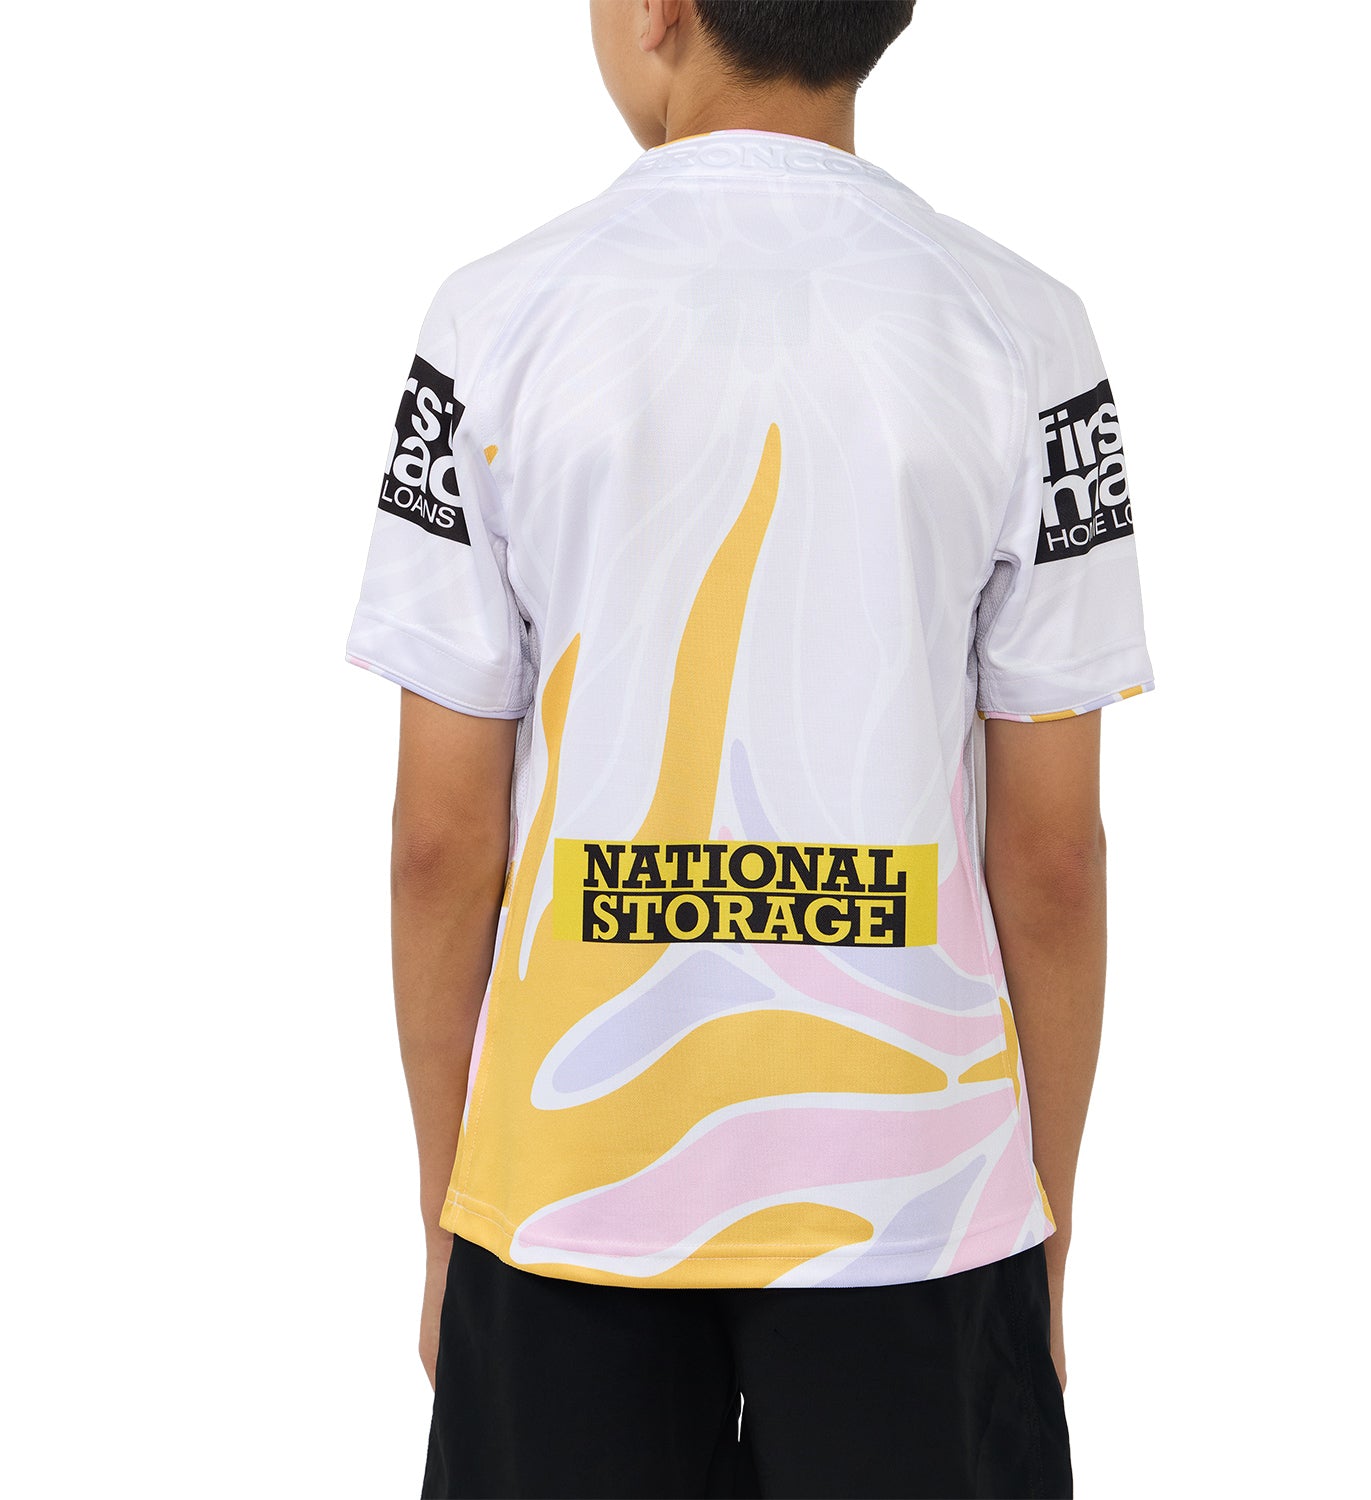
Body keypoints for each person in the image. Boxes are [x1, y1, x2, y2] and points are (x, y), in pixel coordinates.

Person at [344, 2, 1154, 1495]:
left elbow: (438, 842)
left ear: (658, 8)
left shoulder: (492, 324)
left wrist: (455, 1208)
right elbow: (1051, 856)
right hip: (914, 1196)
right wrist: (1034, 1218)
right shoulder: (1028, 333)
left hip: (568, 1188)